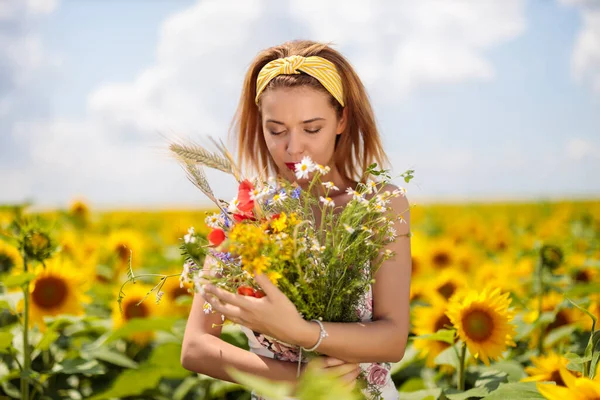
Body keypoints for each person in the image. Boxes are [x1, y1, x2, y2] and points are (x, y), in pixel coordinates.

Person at [181, 40, 412, 400]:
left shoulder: (380, 205)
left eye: (311, 128)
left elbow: (393, 339)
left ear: (342, 119)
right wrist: (299, 378)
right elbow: (196, 347)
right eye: (276, 130)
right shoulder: (243, 216)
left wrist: (302, 332)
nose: (293, 148)